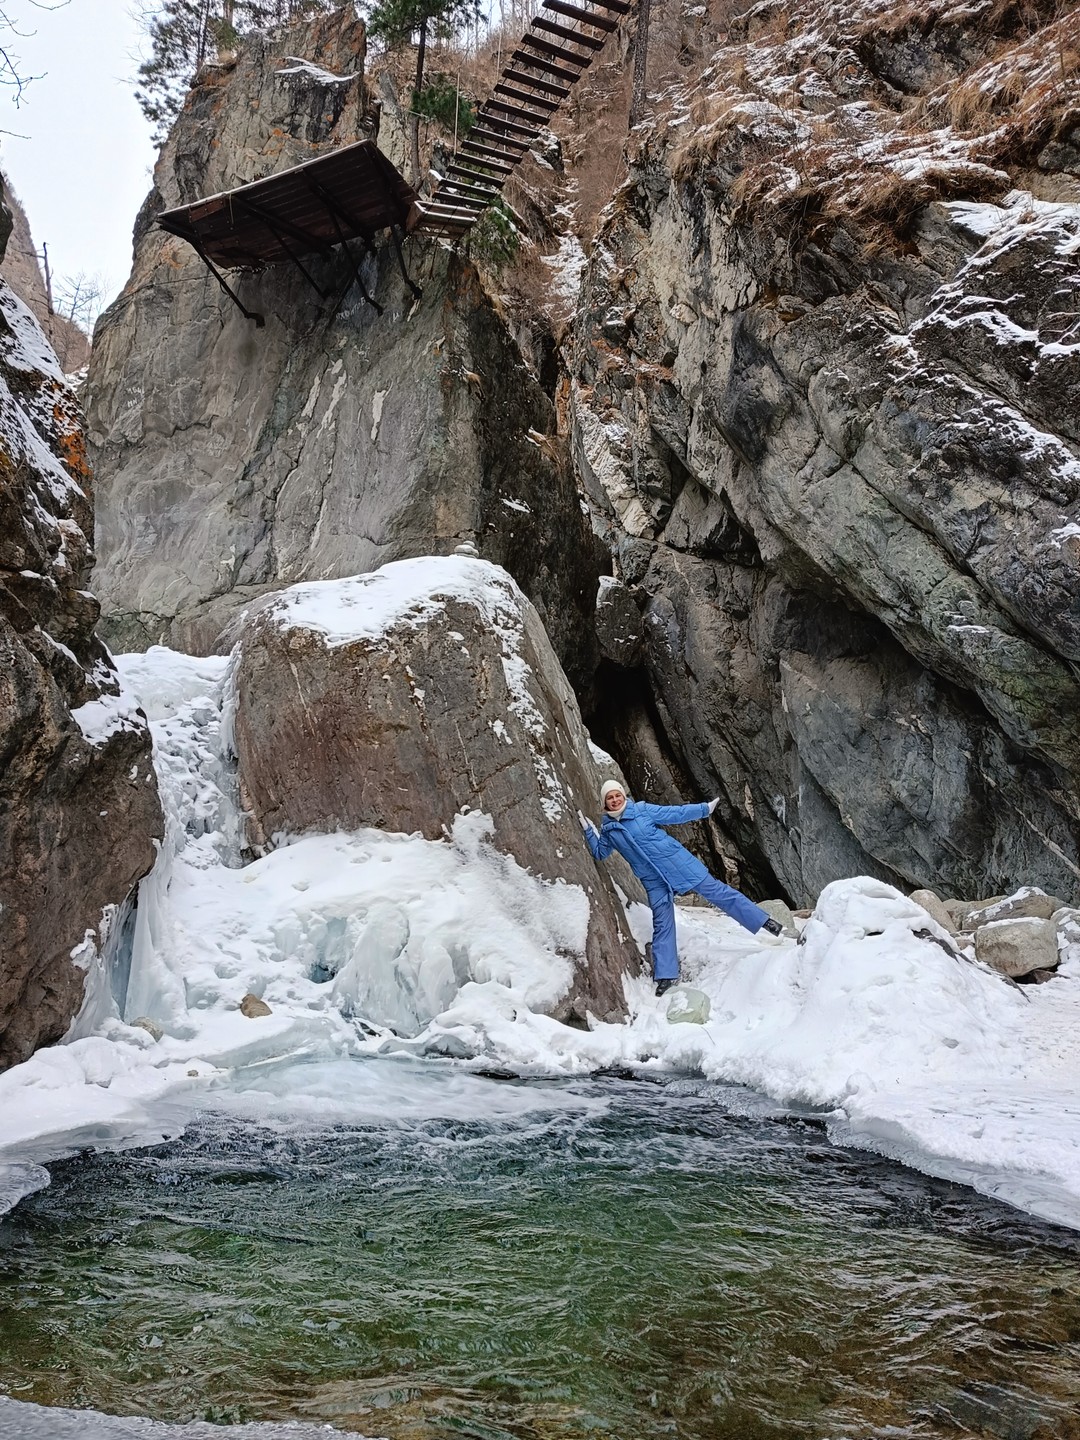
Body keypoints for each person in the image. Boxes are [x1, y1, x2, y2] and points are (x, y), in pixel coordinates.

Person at [580, 780, 784, 996]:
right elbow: (600, 853)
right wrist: (587, 831)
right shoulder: (610, 830)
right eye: (609, 798)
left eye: (617, 795)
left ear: (623, 795)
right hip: (653, 880)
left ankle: (764, 921)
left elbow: (675, 814)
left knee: (718, 892)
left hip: (678, 864)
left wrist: (704, 809)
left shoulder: (641, 810)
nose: (614, 800)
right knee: (662, 923)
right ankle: (666, 977)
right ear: (605, 802)